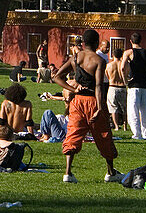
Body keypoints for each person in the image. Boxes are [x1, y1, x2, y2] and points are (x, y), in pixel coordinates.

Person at [51, 27, 121, 184]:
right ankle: (110, 172)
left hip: (77, 102)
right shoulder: (99, 61)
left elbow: (56, 77)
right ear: (97, 43)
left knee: (73, 134)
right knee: (104, 135)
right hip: (93, 101)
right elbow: (98, 86)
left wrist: (73, 89)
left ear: (82, 43)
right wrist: (100, 108)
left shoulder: (75, 58)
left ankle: (68, 173)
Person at [121, 32, 146, 140]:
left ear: (131, 41)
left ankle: (136, 134)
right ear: (141, 41)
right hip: (145, 86)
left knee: (133, 111)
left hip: (134, 86)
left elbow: (122, 68)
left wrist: (125, 80)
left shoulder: (128, 52)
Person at [105, 48, 126, 132]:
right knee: (124, 108)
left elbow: (107, 75)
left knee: (113, 108)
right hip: (123, 87)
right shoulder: (124, 64)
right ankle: (125, 126)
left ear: (113, 55)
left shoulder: (109, 65)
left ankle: (116, 126)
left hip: (112, 87)